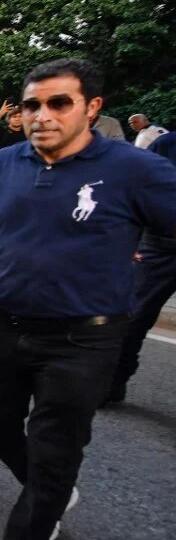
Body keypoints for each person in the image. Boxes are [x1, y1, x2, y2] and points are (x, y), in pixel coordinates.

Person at [0, 59, 176, 540]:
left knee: (54, 448)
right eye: (32, 105)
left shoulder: (135, 169)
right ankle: (50, 490)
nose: (42, 115)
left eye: (59, 103)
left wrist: (138, 258)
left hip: (83, 339)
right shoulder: (0, 165)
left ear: (92, 107)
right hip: (1, 325)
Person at [107, 128, 176, 404]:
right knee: (132, 317)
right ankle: (111, 382)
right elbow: (136, 192)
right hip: (160, 246)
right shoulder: (167, 144)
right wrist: (129, 239)